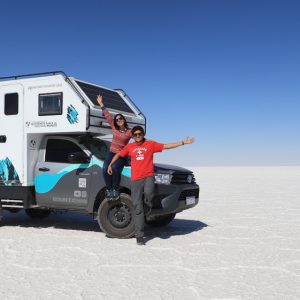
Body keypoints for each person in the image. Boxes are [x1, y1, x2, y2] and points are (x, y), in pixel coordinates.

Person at [108, 125, 194, 245]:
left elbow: (167, 146)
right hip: (136, 179)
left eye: (140, 134)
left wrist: (183, 142)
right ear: (132, 136)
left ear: (143, 134)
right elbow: (119, 154)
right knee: (137, 208)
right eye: (135, 134)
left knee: (149, 193)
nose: (138, 136)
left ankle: (147, 206)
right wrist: (110, 164)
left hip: (148, 176)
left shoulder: (150, 144)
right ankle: (139, 235)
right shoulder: (130, 147)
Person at [97, 95, 132, 200]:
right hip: (111, 153)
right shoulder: (115, 128)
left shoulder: (129, 131)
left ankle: (115, 189)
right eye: (117, 119)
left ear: (124, 120)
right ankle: (109, 189)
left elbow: (139, 137)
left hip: (121, 155)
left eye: (121, 118)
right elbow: (107, 115)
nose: (119, 120)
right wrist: (101, 103)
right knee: (104, 168)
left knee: (116, 168)